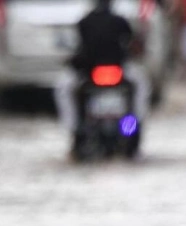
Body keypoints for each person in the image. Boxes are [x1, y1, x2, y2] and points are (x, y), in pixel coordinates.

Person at [54, 0, 151, 150]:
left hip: (91, 71)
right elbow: (133, 45)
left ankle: (73, 127)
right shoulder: (120, 21)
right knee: (141, 84)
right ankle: (137, 121)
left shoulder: (84, 22)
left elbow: (79, 49)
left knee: (63, 87)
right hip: (113, 70)